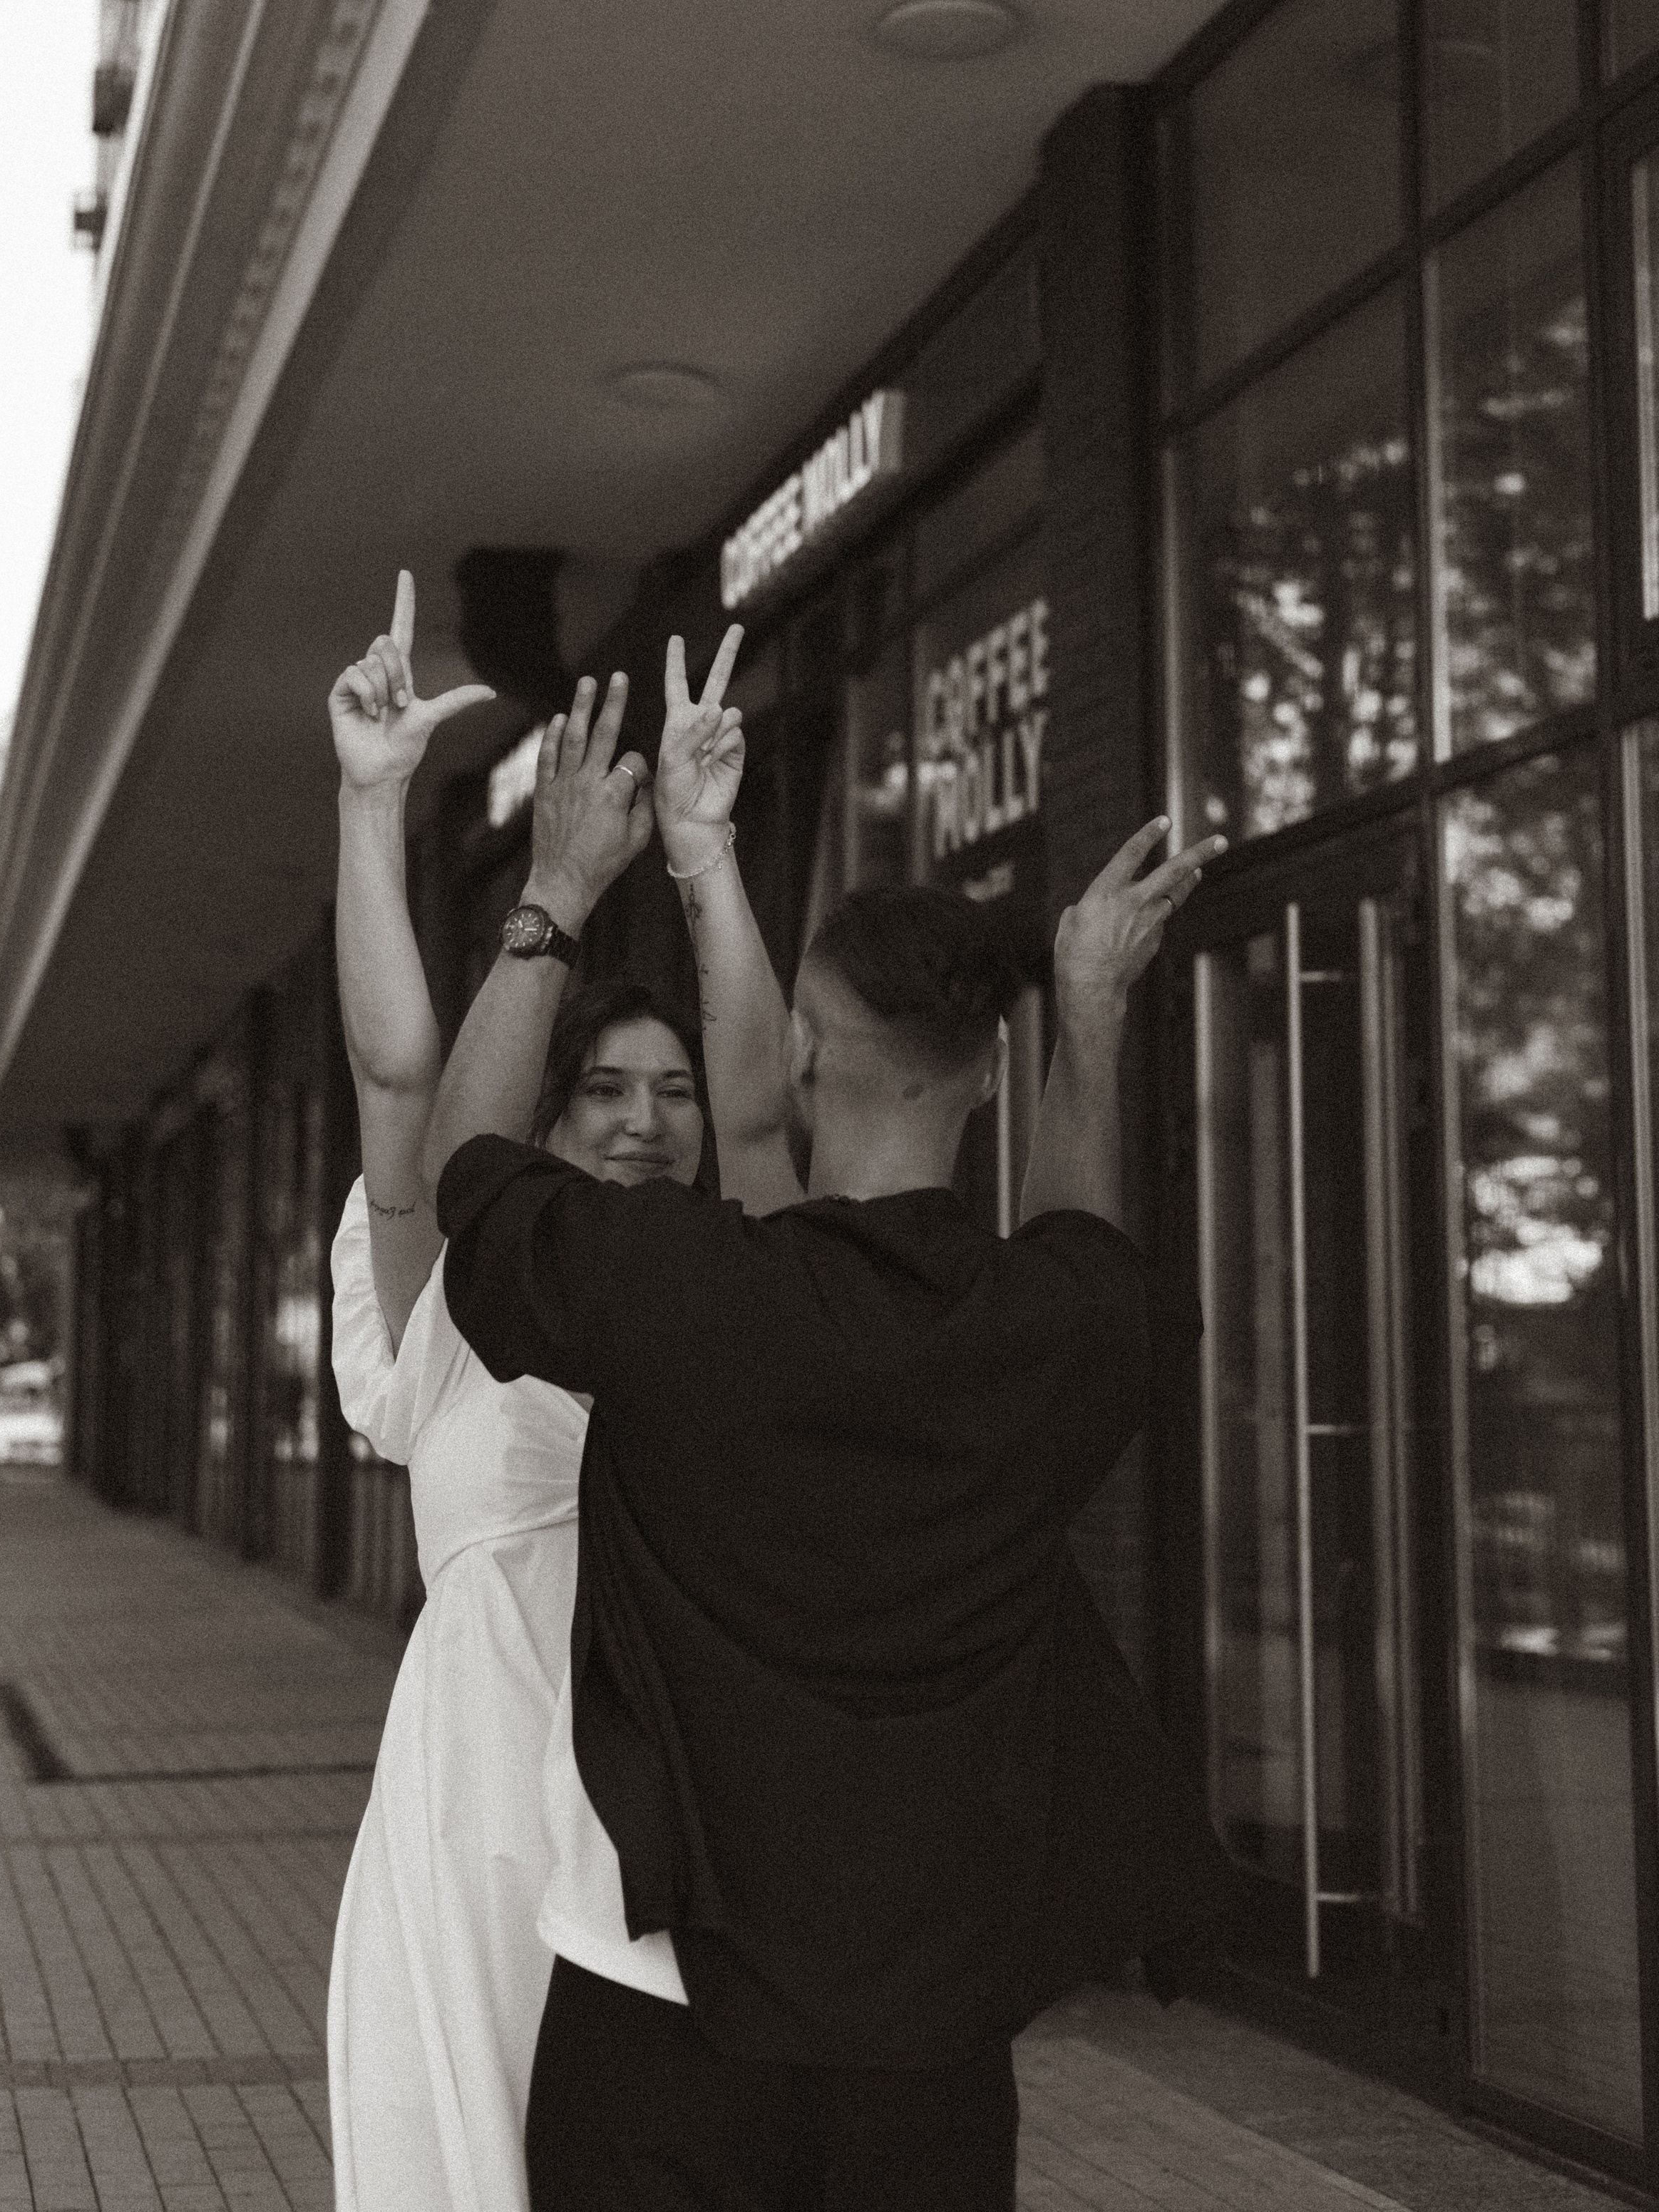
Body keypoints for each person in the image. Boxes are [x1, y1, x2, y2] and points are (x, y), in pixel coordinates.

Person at [423, 627, 1233, 2212]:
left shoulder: (679, 1294)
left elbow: (469, 1178)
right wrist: (1090, 1013)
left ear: (798, 1052)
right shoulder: (1052, 1335)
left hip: (659, 2007)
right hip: (925, 2048)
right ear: (982, 1077)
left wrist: (563, 895)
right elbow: (1082, 1242)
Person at [323, 575, 709, 2212]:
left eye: (666, 1091)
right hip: (482, 1784)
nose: (641, 1121)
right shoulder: (450, 1301)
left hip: (678, 1770)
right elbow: (400, 1074)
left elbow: (763, 1119)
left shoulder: (720, 1298)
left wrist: (707, 861)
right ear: (538, 1122)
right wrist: (371, 802)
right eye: (603, 1090)